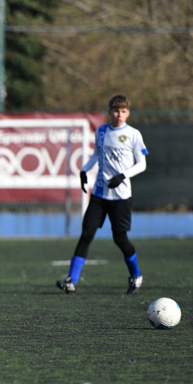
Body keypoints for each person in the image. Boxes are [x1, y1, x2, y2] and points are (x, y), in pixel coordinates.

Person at [56, 94, 148, 295]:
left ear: (128, 113)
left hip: (121, 197)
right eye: (116, 111)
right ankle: (71, 281)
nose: (119, 115)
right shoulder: (101, 131)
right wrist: (84, 170)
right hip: (99, 195)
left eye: (123, 111)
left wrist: (122, 176)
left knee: (120, 238)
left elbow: (142, 164)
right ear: (109, 112)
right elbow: (96, 155)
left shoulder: (133, 134)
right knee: (86, 234)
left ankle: (136, 275)